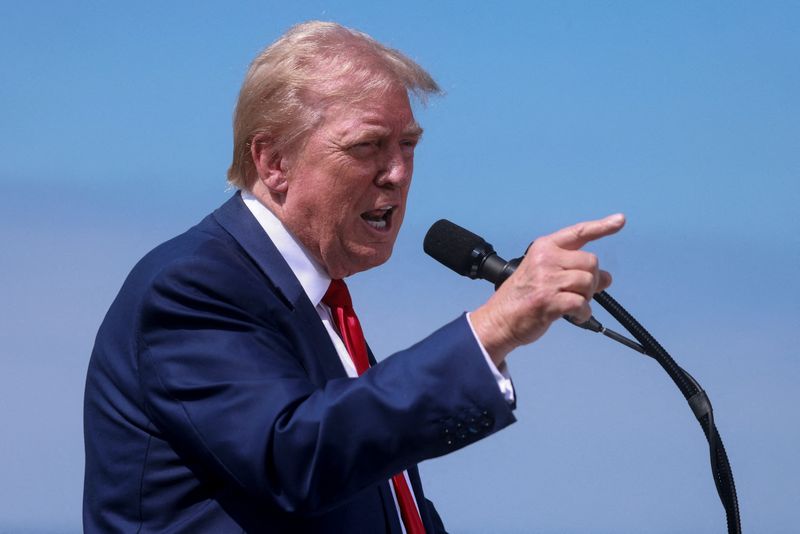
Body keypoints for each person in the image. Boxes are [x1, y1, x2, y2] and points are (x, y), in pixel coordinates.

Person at [83, 21, 625, 533]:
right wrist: (494, 328)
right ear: (273, 162)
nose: (396, 173)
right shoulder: (193, 286)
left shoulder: (320, 307)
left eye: (407, 145)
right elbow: (295, 457)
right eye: (367, 146)